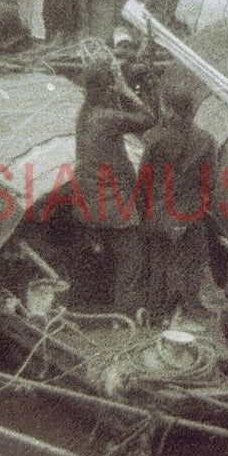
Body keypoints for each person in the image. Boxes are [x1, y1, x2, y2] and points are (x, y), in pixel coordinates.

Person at [74, 64, 154, 316]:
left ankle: (106, 309)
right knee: (131, 261)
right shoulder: (107, 118)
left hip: (91, 201)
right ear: (106, 88)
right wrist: (127, 91)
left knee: (108, 257)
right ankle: (125, 316)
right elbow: (149, 119)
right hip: (114, 204)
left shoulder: (85, 116)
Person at [141, 87, 218, 321]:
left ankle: (156, 312)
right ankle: (191, 307)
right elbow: (210, 182)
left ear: (172, 112)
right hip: (189, 214)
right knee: (194, 260)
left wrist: (145, 212)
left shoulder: (155, 138)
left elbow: (143, 180)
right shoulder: (206, 140)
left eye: (166, 108)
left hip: (159, 214)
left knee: (158, 262)